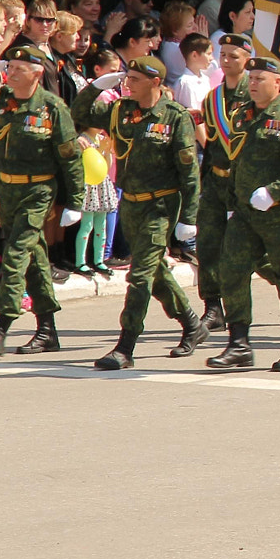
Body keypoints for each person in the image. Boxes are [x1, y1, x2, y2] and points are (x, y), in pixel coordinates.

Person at [72, 56, 207, 369]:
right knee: (154, 269)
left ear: (155, 82)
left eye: (134, 79)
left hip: (161, 204)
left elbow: (189, 173)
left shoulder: (174, 117)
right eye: (126, 77)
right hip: (130, 203)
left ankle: (125, 346)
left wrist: (188, 218)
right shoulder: (122, 111)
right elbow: (79, 113)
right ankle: (191, 324)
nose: (127, 84)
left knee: (141, 275)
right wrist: (96, 87)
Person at [207, 56, 280, 373]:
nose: (252, 84)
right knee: (232, 272)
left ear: (277, 83)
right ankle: (239, 344)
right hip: (245, 213)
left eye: (259, 78)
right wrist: (232, 203)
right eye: (251, 78)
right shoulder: (242, 116)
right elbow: (236, 164)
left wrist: (274, 191)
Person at [0, 44, 84, 356]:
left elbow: (70, 158)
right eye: (10, 67)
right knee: (33, 259)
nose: (12, 72)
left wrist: (75, 201)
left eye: (20, 69)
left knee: (17, 252)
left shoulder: (51, 108)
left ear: (37, 73)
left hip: (38, 191)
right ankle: (47, 330)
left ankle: (2, 327)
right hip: (8, 190)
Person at [191, 32, 253, 331]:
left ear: (247, 61)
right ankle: (213, 306)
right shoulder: (213, 98)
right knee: (208, 245)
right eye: (224, 55)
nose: (227, 61)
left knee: (256, 251)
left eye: (234, 56)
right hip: (216, 183)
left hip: (245, 185)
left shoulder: (255, 95)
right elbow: (213, 141)